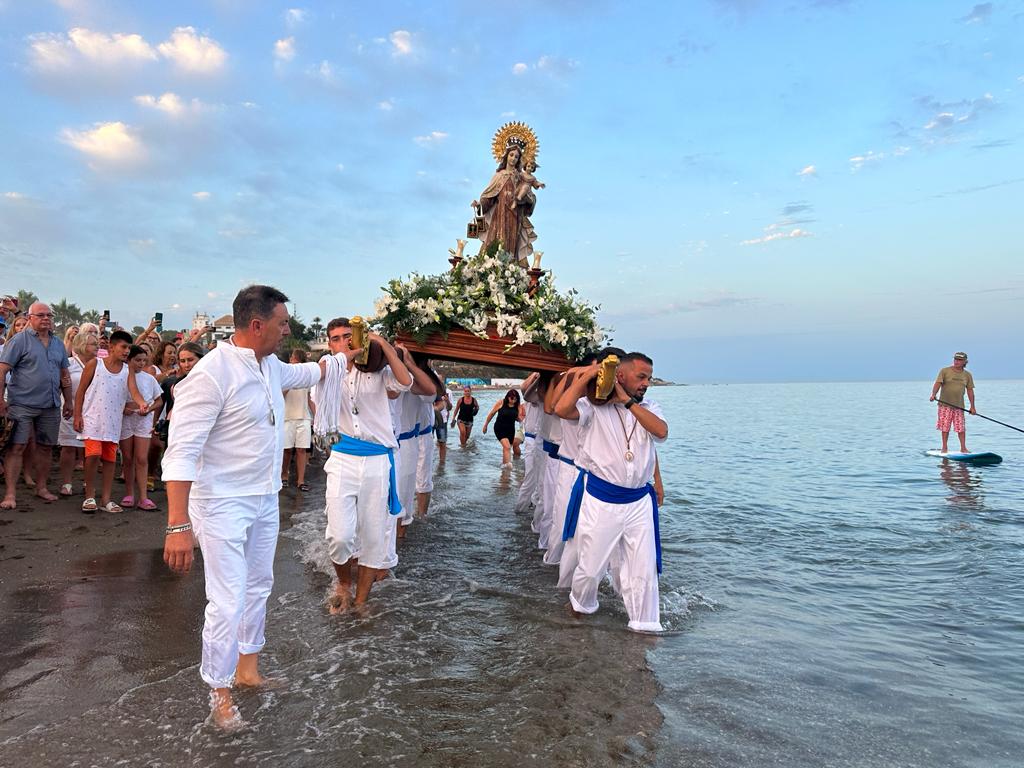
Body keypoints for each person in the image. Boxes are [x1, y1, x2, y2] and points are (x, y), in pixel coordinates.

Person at [161, 285, 325, 730]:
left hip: (263, 497)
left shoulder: (268, 365)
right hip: (220, 503)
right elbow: (180, 453)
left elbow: (312, 372)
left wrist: (357, 352)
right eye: (283, 324)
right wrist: (177, 526)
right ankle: (219, 691)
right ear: (257, 325)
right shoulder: (211, 374)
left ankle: (247, 669)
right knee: (227, 599)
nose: (287, 331)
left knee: (259, 586)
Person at [555, 352, 669, 633]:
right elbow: (561, 409)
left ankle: (645, 627)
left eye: (649, 378)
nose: (646, 384)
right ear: (620, 376)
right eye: (641, 377)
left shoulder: (649, 406)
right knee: (591, 569)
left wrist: (628, 401)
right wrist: (586, 377)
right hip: (601, 500)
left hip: (639, 502)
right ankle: (578, 610)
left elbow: (661, 432)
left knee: (644, 571)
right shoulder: (594, 408)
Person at [312, 317, 413, 613]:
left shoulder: (379, 371)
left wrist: (382, 344)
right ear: (330, 344)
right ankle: (343, 582)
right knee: (339, 536)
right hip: (342, 458)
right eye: (336, 338)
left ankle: (360, 601)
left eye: (348, 336)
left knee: (372, 536)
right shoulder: (327, 371)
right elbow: (313, 396)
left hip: (377, 461)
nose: (344, 342)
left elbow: (405, 382)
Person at [0, 302, 72, 508]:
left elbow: (64, 374)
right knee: (17, 446)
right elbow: (2, 370)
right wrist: (0, 401)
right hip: (22, 403)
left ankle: (41, 487)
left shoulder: (58, 344)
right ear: (30, 317)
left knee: (46, 447)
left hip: (50, 404)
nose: (46, 318)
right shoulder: (19, 341)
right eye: (41, 315)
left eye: (49, 315)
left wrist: (69, 400)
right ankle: (10, 494)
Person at [74, 330, 138, 513]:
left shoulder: (127, 370)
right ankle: (89, 495)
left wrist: (143, 405)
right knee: (93, 455)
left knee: (110, 459)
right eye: (123, 347)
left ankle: (106, 499)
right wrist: (78, 415)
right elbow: (80, 392)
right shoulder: (95, 364)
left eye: (129, 348)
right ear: (111, 346)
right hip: (93, 419)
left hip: (113, 422)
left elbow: (133, 393)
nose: (126, 351)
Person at [471, 144, 537, 265]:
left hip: (514, 217)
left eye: (516, 157)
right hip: (499, 217)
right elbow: (489, 197)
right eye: (511, 155)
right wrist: (479, 205)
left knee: (511, 246)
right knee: (496, 243)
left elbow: (530, 196)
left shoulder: (520, 177)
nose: (513, 159)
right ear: (506, 156)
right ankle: (492, 270)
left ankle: (509, 273)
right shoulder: (499, 176)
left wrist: (526, 199)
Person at [118, 345, 162, 510]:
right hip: (126, 419)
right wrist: (123, 408)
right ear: (129, 360)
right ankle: (129, 493)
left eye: (144, 360)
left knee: (142, 458)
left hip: (143, 419)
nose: (141, 363)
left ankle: (143, 496)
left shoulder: (149, 379)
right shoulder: (121, 376)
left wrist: (148, 409)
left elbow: (159, 400)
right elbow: (116, 398)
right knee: (127, 458)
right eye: (137, 360)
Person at [57, 331, 98, 495]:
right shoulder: (68, 363)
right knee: (68, 447)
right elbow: (60, 384)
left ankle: (88, 483)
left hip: (92, 411)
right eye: (93, 344)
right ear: (81, 345)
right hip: (70, 409)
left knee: (91, 450)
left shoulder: (99, 364)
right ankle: (67, 482)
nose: (97, 347)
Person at [282, 348, 315, 491]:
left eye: (294, 359)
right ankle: (284, 475)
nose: (292, 361)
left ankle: (300, 481)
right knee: (287, 450)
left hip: (303, 417)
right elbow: (279, 394)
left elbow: (309, 399)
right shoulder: (285, 374)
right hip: (287, 417)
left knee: (302, 449)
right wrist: (290, 383)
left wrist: (317, 415)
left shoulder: (305, 377)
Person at [930, 351, 976, 454]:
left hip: (959, 406)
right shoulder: (945, 371)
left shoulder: (967, 375)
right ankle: (944, 447)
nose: (957, 361)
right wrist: (933, 394)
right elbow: (937, 383)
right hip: (945, 404)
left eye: (959, 360)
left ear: (965, 362)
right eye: (955, 359)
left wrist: (972, 407)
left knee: (961, 428)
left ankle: (963, 448)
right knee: (945, 427)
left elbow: (970, 391)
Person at [515, 373, 544, 513]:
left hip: (543, 440)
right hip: (532, 439)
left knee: (541, 481)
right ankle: (520, 509)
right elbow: (523, 388)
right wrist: (536, 374)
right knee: (530, 478)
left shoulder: (547, 391)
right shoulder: (533, 392)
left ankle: (533, 506)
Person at [482, 388, 525, 467]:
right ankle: (508, 467)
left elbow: (518, 418)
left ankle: (504, 468)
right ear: (508, 397)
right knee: (507, 447)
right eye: (512, 398)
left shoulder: (517, 406)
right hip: (499, 428)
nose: (513, 400)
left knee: (506, 449)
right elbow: (492, 413)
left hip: (511, 430)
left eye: (515, 399)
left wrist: (525, 417)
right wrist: (486, 425)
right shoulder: (501, 403)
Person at [435, 390, 452, 462]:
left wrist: (447, 400)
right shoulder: (429, 389)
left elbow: (449, 408)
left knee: (442, 442)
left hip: (443, 420)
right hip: (429, 420)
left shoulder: (448, 392)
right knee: (428, 442)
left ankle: (442, 464)